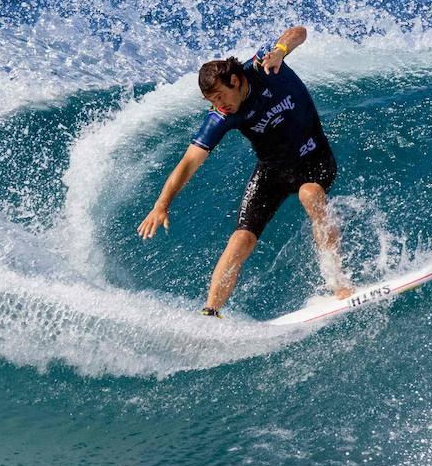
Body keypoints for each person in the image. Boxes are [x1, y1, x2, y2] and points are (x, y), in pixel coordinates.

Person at [137, 26, 353, 317]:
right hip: (272, 171)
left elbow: (298, 32)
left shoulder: (264, 66)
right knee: (241, 239)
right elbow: (189, 161)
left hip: (313, 157)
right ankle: (210, 312)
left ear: (235, 80)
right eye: (212, 101)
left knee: (310, 193)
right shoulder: (222, 116)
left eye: (220, 96)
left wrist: (280, 51)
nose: (219, 105)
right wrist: (161, 205)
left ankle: (339, 284)